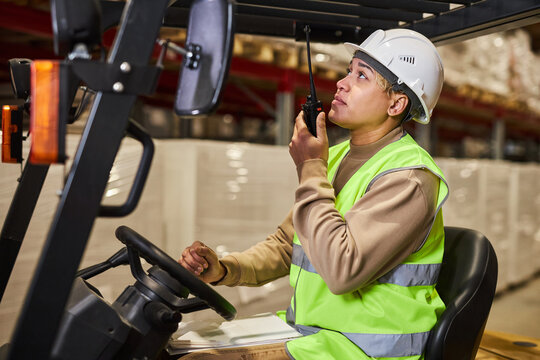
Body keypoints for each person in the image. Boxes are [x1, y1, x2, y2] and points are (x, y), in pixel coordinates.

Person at [178, 28, 449, 360]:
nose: (342, 82)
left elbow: (342, 270)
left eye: (362, 76)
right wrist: (224, 269)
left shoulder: (409, 177)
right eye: (349, 70)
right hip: (316, 336)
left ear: (396, 103)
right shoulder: (332, 158)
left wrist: (309, 167)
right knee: (181, 345)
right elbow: (286, 246)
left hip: (366, 349)